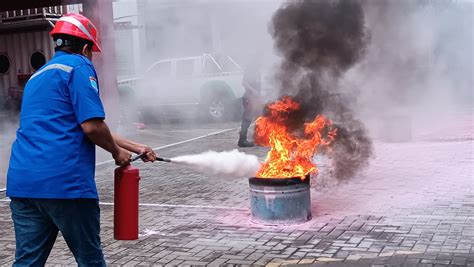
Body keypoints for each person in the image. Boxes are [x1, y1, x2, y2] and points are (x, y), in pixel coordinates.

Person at [6, 13, 156, 266]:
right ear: (85, 47)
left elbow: (86, 125)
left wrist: (134, 147)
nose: (92, 57)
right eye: (92, 52)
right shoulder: (78, 66)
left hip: (24, 184)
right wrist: (117, 153)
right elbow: (91, 126)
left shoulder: (37, 76)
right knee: (90, 259)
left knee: (27, 261)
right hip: (65, 185)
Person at [238, 62, 262, 147]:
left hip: (255, 99)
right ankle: (242, 140)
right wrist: (253, 91)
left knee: (259, 117)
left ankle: (259, 138)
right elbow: (244, 82)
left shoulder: (257, 71)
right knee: (247, 119)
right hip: (249, 98)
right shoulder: (250, 71)